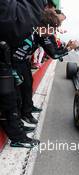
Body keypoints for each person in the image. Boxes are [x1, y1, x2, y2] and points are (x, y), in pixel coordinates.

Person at [0, 0, 49, 148]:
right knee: (9, 100)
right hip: (8, 63)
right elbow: (14, 30)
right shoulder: (24, 23)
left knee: (14, 97)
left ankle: (18, 128)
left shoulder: (32, 31)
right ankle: (17, 137)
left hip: (8, 62)